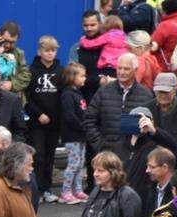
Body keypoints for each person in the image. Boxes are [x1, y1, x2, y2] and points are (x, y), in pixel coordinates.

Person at [85, 53, 156, 159]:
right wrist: (100, 146)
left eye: (126, 69)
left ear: (135, 70)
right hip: (106, 155)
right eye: (119, 68)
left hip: (134, 156)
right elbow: (89, 120)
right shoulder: (103, 91)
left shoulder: (147, 95)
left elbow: (152, 126)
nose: (122, 72)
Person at [26, 35, 63, 204]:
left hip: (54, 122)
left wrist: (57, 117)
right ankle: (36, 188)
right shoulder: (31, 71)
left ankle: (47, 188)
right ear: (39, 51)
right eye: (47, 50)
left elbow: (63, 96)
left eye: (53, 50)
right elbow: (26, 98)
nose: (50, 54)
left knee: (49, 156)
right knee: (38, 155)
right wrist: (38, 114)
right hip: (36, 122)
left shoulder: (60, 71)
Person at [60, 62, 90, 204]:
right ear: (72, 77)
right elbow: (69, 115)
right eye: (82, 76)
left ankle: (77, 190)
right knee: (73, 164)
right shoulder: (67, 94)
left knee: (80, 163)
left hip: (81, 135)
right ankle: (66, 191)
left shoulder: (78, 94)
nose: (84, 78)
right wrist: (82, 126)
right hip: (72, 136)